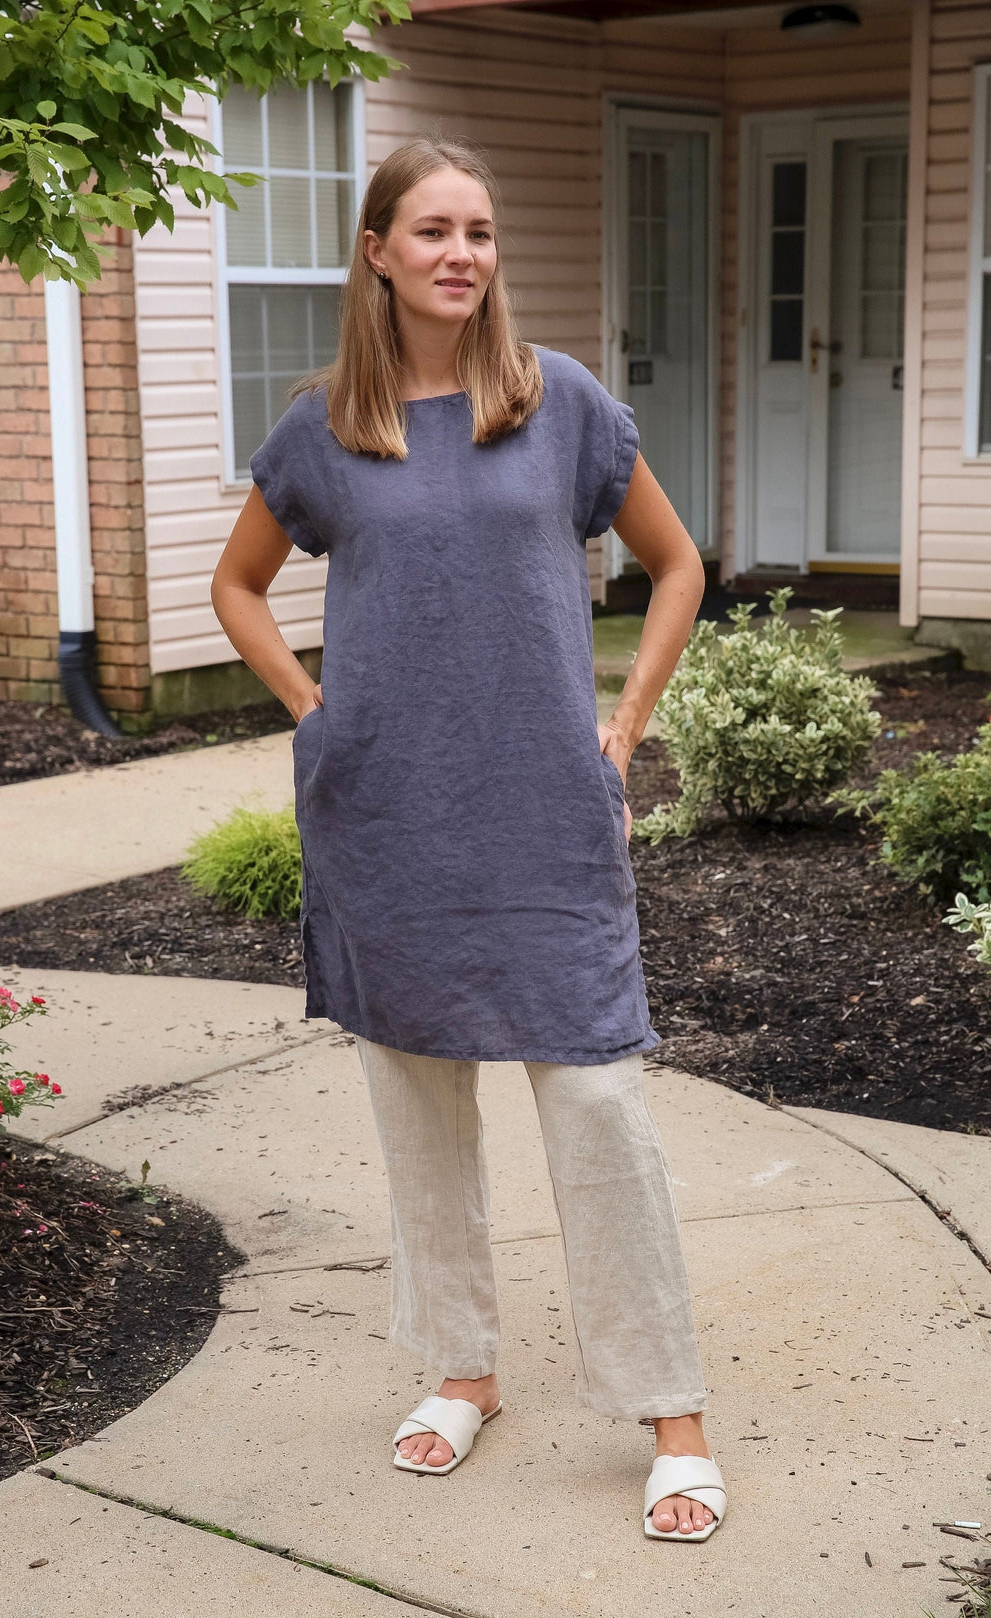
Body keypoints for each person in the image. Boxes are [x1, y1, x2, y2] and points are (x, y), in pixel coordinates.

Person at [210, 130, 726, 1542]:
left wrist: (623, 726)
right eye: (432, 230)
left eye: (480, 232)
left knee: (601, 1105)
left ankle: (670, 1409)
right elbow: (239, 585)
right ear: (377, 251)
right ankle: (462, 1367)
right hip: (389, 813)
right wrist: (316, 712)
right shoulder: (324, 427)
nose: (460, 254)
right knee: (419, 1109)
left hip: (544, 814)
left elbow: (677, 564)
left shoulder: (554, 403)